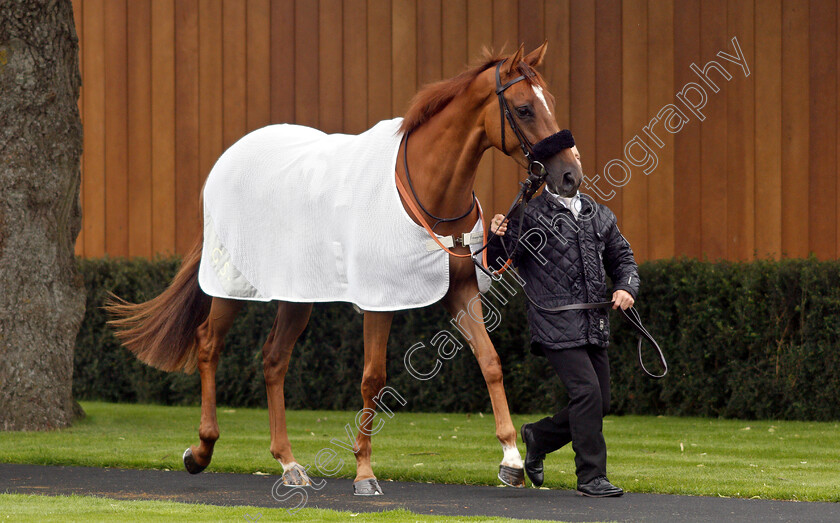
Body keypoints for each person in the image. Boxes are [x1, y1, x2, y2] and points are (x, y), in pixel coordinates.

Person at [487, 146, 638, 497]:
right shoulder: (530, 215)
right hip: (554, 323)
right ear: (550, 170)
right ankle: (591, 477)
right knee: (586, 393)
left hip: (594, 324)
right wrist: (496, 236)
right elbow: (496, 263)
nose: (575, 165)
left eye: (580, 158)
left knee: (600, 403)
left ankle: (538, 437)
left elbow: (624, 259)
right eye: (567, 161)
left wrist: (627, 287)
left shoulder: (598, 214)